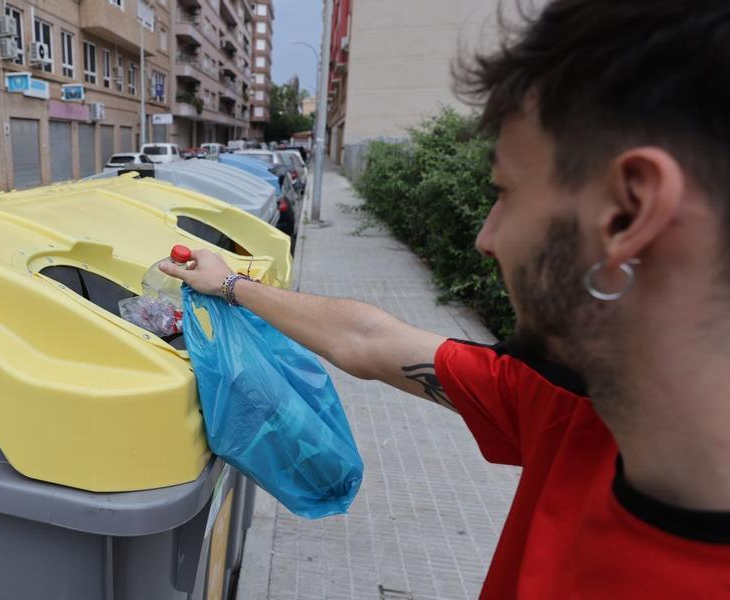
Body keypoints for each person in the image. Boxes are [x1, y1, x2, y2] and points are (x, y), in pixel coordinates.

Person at [161, 1, 730, 597]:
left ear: (627, 214)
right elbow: (369, 341)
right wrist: (229, 285)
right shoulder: (565, 407)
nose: (487, 238)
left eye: (505, 192)